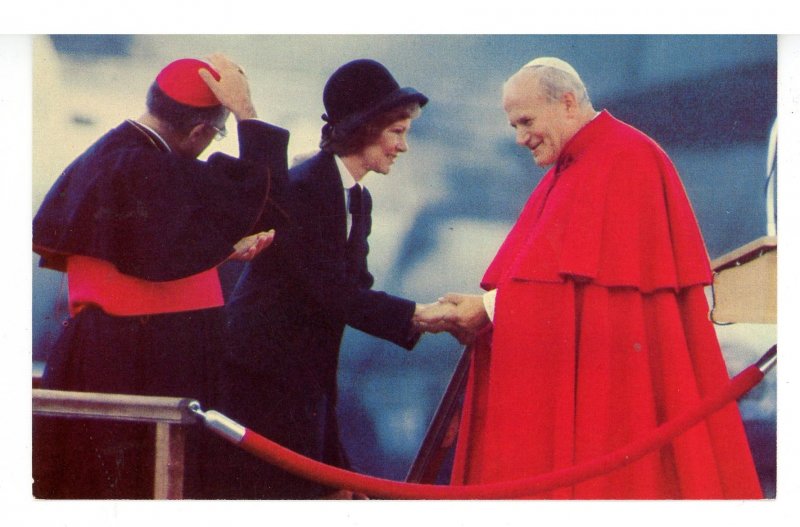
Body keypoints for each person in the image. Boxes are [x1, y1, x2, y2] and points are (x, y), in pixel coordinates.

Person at [421, 57, 763, 498]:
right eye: (513, 126)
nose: (521, 137)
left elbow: (580, 294)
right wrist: (486, 304)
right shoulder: (580, 162)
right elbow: (550, 279)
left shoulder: (621, 158)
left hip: (618, 393)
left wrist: (486, 308)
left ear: (566, 103)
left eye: (526, 121)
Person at [31, 54, 290, 499]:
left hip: (121, 351)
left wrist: (222, 250)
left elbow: (157, 253)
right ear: (199, 130)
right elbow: (264, 203)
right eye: (218, 131)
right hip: (147, 358)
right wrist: (246, 111)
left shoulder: (115, 154)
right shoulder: (144, 165)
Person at [213, 59, 437, 499]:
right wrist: (424, 315)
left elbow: (351, 291)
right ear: (363, 128)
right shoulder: (305, 187)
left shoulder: (358, 198)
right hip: (262, 390)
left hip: (303, 390)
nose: (403, 147)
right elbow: (334, 292)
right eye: (397, 132)